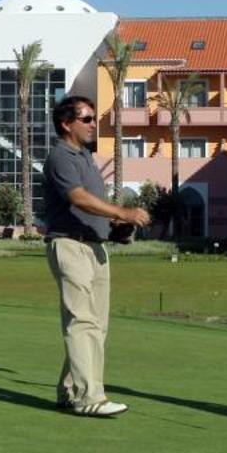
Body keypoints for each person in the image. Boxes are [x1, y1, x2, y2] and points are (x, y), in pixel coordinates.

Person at [42, 94, 152, 417]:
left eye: (93, 119)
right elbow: (78, 199)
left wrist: (115, 227)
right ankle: (89, 397)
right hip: (70, 245)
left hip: (95, 247)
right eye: (86, 119)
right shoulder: (61, 157)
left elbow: (95, 209)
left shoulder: (86, 158)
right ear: (66, 124)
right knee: (82, 321)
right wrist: (124, 211)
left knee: (96, 326)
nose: (93, 125)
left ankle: (68, 390)